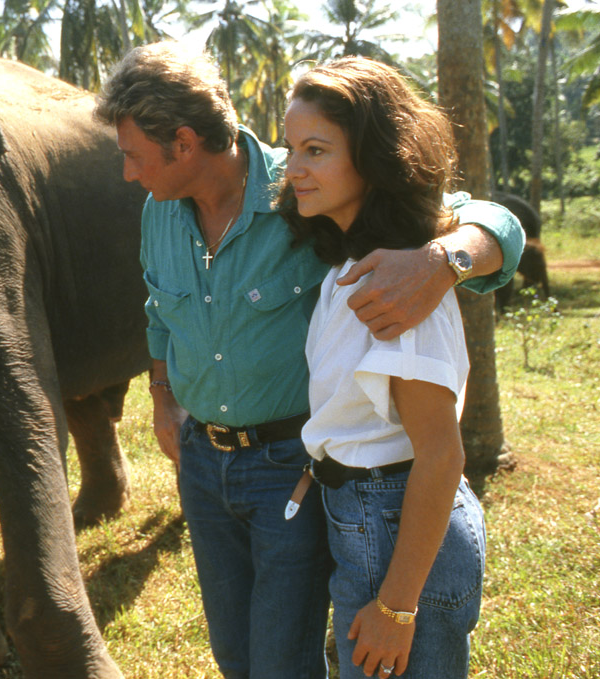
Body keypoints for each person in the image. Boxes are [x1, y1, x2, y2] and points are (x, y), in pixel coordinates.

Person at [94, 42, 522, 679]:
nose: (127, 173)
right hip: (214, 468)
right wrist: (164, 397)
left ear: (182, 143)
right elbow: (160, 311)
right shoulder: (177, 215)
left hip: (293, 470)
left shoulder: (348, 235)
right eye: (298, 151)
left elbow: (484, 221)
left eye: (132, 155)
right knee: (238, 656)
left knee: (282, 658)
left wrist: (441, 259)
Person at [283, 57, 488, 679]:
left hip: (393, 526)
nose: (293, 169)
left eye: (315, 150)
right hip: (372, 518)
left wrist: (397, 609)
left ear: (373, 158)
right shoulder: (351, 264)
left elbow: (441, 456)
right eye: (290, 147)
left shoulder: (399, 286)